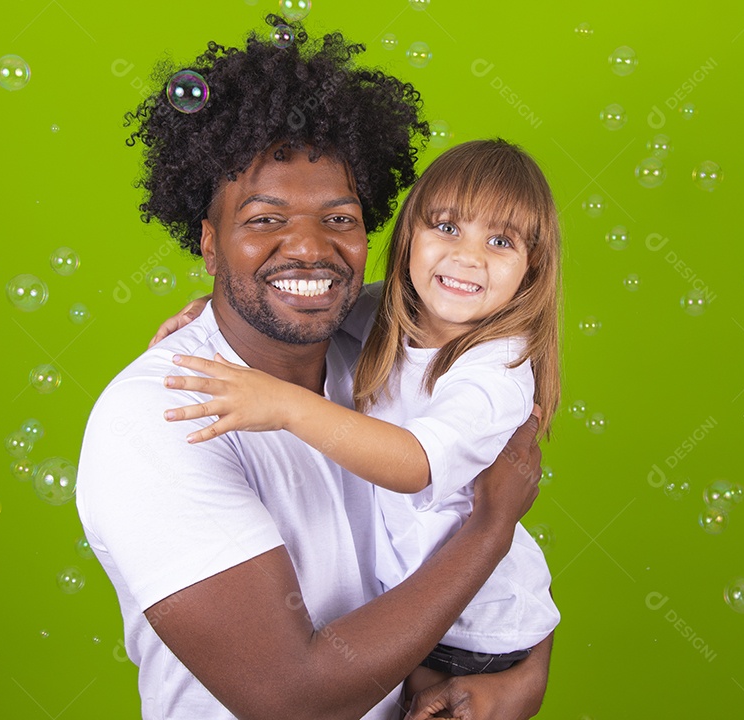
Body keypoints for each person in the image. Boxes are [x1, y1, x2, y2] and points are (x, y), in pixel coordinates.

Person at [76, 18, 552, 720]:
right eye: (265, 221)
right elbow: (291, 699)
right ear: (210, 245)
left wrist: (522, 677)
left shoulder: (386, 346)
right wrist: (493, 526)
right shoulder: (162, 414)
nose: (308, 249)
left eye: (339, 219)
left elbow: (473, 576)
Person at [161, 139, 562, 701]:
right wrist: (212, 307)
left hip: (475, 632)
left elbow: (415, 462)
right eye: (446, 228)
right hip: (409, 609)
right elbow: (305, 296)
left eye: (500, 241)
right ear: (408, 237)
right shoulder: (392, 312)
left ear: (532, 266)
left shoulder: (497, 368)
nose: (468, 258)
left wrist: (283, 404)